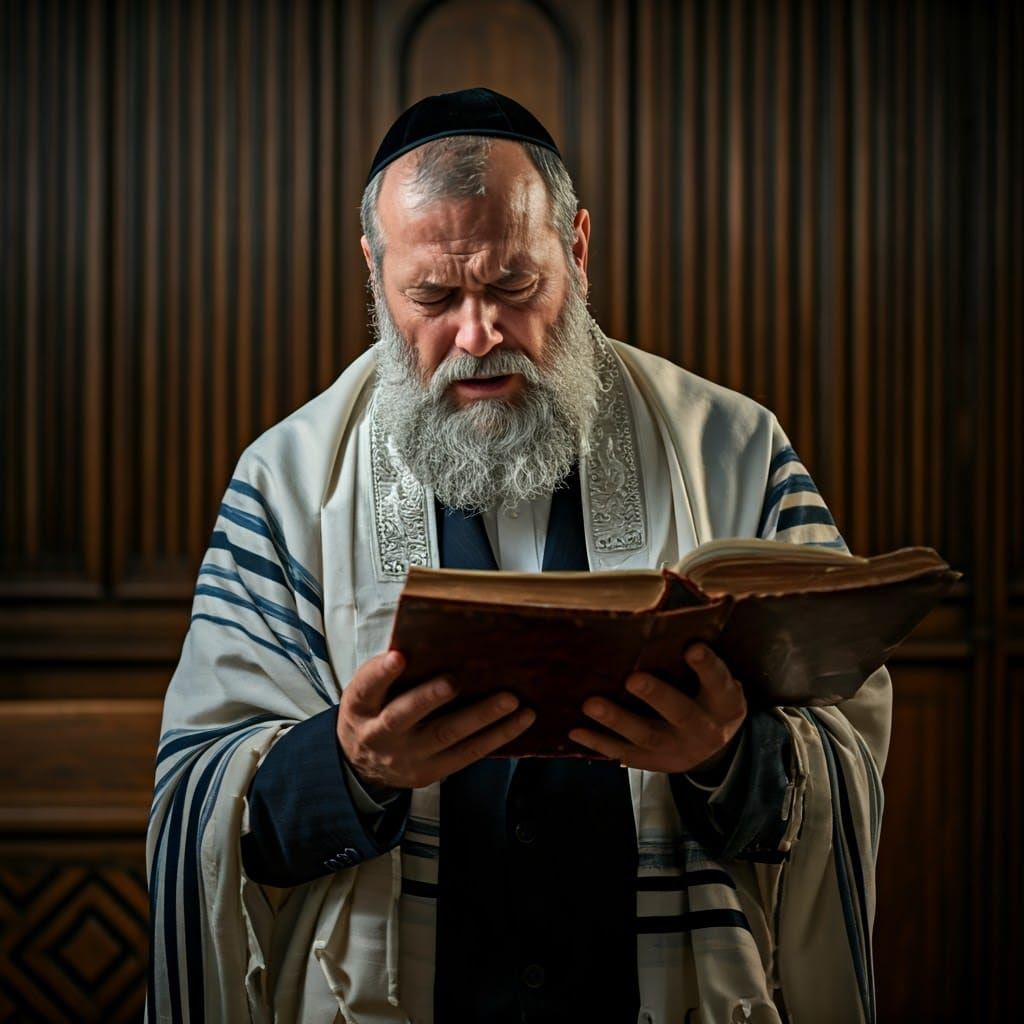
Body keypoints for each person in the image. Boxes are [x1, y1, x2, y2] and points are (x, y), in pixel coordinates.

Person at [147, 88, 890, 1024]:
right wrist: (351, 765)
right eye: (433, 296)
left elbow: (845, 751)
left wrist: (727, 755)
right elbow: (202, 803)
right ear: (373, 272)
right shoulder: (290, 483)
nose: (477, 334)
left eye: (512, 285)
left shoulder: (732, 451)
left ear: (576, 251)